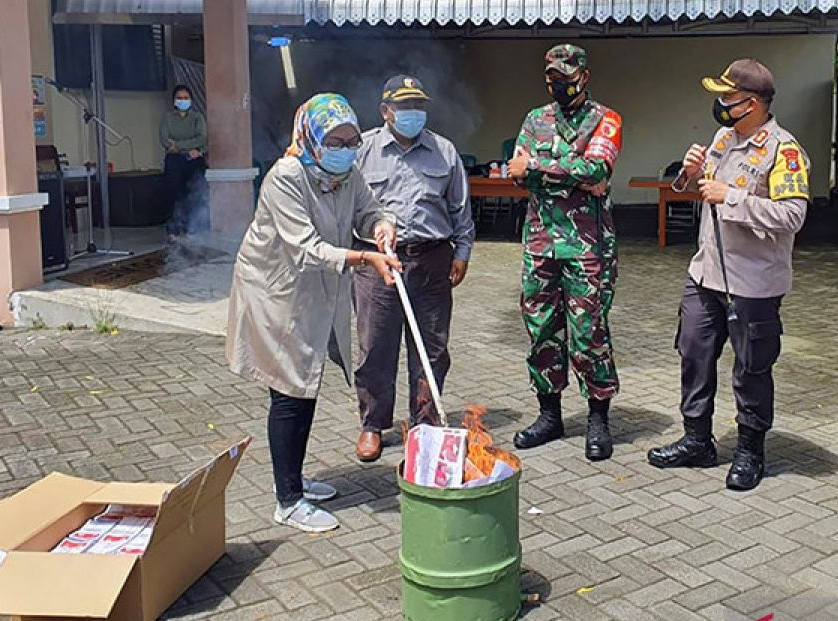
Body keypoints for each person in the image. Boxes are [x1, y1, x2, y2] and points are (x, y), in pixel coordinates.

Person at [226, 93, 400, 533]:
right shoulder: (287, 176)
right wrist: (365, 260)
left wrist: (382, 227)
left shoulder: (346, 174)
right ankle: (287, 499)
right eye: (336, 140)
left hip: (314, 291)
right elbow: (305, 248)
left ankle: (296, 478)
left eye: (351, 140)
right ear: (311, 137)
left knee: (304, 384)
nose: (345, 149)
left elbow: (368, 211)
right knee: (289, 388)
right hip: (275, 295)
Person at [646, 59, 810, 492]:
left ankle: (750, 450)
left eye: (727, 98)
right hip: (706, 273)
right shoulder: (723, 138)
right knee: (693, 354)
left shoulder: (784, 150)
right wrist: (689, 173)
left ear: (750, 104)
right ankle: (697, 440)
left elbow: (794, 215)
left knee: (751, 369)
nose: (719, 105)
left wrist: (731, 196)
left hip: (753, 283)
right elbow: (689, 191)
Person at [506, 44, 622, 461]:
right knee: (541, 330)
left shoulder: (606, 120)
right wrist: (569, 174)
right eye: (552, 78)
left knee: (589, 332)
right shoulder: (534, 120)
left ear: (584, 77)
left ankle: (598, 418)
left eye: (567, 77)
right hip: (540, 244)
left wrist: (539, 168)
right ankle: (549, 415)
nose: (559, 84)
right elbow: (515, 175)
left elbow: (598, 171)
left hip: (588, 247)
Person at [352, 76, 476, 461]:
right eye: (404, 108)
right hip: (378, 262)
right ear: (385, 111)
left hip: (431, 259)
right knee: (375, 346)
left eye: (417, 107)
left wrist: (463, 251)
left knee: (432, 348)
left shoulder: (443, 151)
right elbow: (348, 206)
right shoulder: (363, 150)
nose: (412, 115)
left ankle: (424, 423)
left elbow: (460, 206)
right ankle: (373, 425)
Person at [160, 85, 208, 236]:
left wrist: (179, 145)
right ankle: (174, 227)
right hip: (175, 161)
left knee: (193, 193)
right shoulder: (167, 118)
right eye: (179, 98)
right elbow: (164, 140)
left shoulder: (197, 118)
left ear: (191, 100)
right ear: (174, 101)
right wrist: (189, 146)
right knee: (174, 193)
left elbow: (202, 138)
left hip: (194, 159)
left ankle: (193, 227)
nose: (183, 101)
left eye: (186, 98)